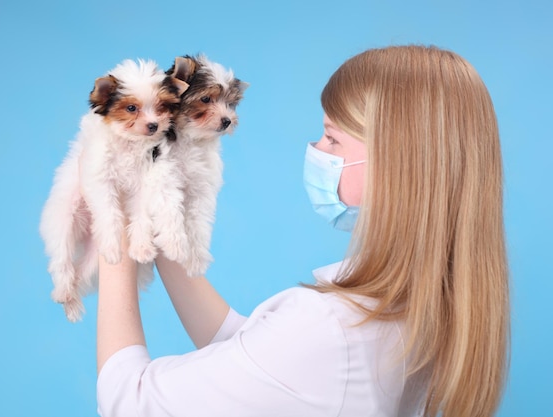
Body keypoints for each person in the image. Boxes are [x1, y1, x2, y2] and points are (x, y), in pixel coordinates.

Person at [94, 45, 510, 417]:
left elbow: (128, 401)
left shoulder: (329, 329)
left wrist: (111, 226)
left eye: (332, 139)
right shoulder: (427, 299)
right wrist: (166, 233)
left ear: (395, 163)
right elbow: (257, 356)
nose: (316, 149)